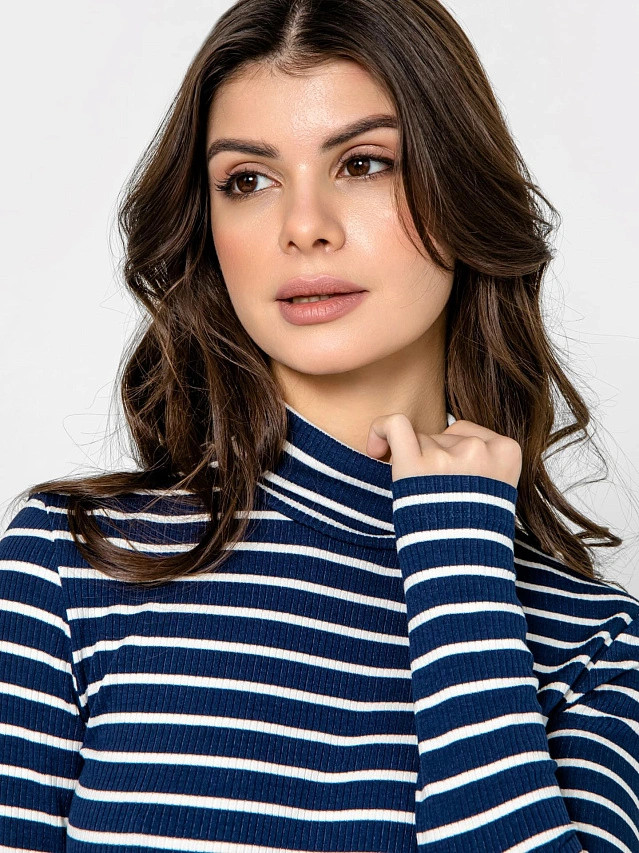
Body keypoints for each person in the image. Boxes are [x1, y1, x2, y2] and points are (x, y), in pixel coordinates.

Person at [1, 0, 637, 850]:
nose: (303, 228)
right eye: (247, 180)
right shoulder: (73, 562)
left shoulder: (591, 641)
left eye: (364, 163)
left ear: (460, 189)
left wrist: (458, 573)